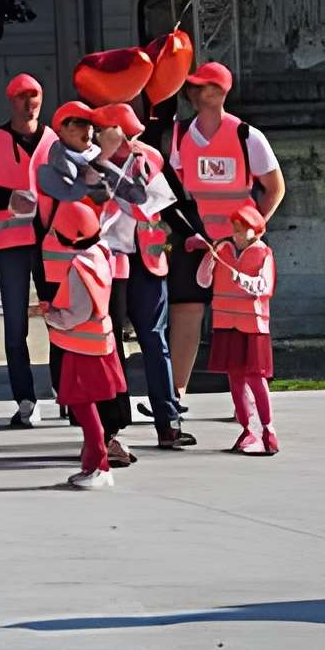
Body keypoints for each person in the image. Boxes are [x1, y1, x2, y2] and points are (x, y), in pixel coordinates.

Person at [165, 62, 286, 411]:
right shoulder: (180, 135)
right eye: (192, 87)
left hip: (237, 244)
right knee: (186, 310)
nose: (193, 92)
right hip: (198, 236)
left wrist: (253, 230)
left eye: (201, 86)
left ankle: (247, 399)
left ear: (219, 92)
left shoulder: (247, 136)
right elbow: (181, 188)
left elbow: (275, 188)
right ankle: (176, 395)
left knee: (242, 321)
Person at [92, 102, 192, 452]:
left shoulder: (146, 158)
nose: (132, 139)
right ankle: (112, 427)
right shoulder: (87, 162)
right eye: (125, 132)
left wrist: (191, 234)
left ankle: (169, 422)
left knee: (154, 339)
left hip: (148, 257)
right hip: (106, 261)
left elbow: (167, 204)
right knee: (111, 345)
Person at [0, 73, 51, 427]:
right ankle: (25, 400)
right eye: (22, 96)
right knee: (15, 325)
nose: (29, 102)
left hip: (54, 244)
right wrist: (9, 198)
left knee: (61, 318)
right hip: (11, 243)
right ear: (11, 101)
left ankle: (69, 395)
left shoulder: (55, 139)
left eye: (34, 96)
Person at [39, 198, 125, 491]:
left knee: (83, 406)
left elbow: (75, 314)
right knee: (85, 406)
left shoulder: (78, 267)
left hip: (81, 346)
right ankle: (92, 465)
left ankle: (99, 465)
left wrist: (49, 315)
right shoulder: (99, 254)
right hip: (98, 344)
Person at [202, 206, 280, 455]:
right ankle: (248, 430)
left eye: (241, 227)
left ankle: (267, 431)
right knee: (235, 379)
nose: (235, 232)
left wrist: (242, 280)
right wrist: (208, 259)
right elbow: (202, 281)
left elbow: (264, 286)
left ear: (255, 230)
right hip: (226, 324)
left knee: (256, 379)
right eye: (234, 226)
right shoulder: (223, 250)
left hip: (252, 326)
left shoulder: (263, 253)